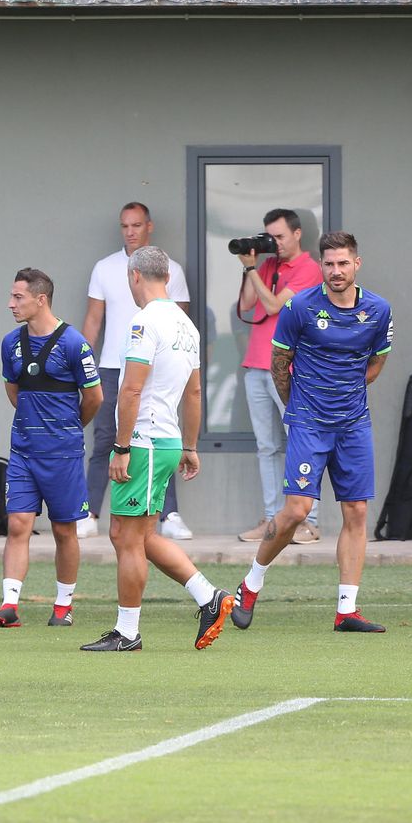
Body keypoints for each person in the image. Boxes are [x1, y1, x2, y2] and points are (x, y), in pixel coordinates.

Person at [231, 231, 392, 634]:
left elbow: (376, 362)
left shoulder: (379, 309)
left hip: (354, 424)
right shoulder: (299, 307)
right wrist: (299, 407)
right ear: (321, 266)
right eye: (329, 264)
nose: (335, 271)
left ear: (357, 264)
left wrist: (347, 392)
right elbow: (280, 362)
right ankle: (250, 585)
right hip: (308, 421)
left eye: (343, 263)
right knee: (296, 512)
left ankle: (347, 611)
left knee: (356, 512)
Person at [82, 247, 233, 652]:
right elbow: (195, 391)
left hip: (143, 443)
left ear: (135, 277)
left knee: (129, 538)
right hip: (164, 442)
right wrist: (190, 445)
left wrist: (121, 446)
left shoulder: (144, 322)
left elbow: (130, 389)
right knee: (131, 534)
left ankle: (128, 632)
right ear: (166, 277)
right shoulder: (187, 326)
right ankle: (208, 597)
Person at [0, 268, 102, 630]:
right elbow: (14, 391)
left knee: (64, 529)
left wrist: (66, 429)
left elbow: (94, 398)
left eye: (17, 297)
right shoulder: (11, 343)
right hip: (23, 452)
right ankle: (9, 604)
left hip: (64, 454)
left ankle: (63, 606)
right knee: (18, 523)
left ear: (41, 300)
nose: (10, 304)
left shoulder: (74, 344)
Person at [80, 202, 192, 540]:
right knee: (105, 440)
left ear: (149, 226)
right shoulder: (104, 267)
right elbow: (93, 321)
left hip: (156, 370)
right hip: (113, 368)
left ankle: (169, 515)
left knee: (159, 437)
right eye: (125, 226)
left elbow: (181, 323)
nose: (130, 231)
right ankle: (90, 512)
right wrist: (82, 369)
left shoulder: (170, 270)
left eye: (136, 225)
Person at [235, 209, 324, 543]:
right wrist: (253, 266)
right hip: (256, 365)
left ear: (298, 234)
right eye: (269, 236)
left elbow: (273, 306)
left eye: (280, 236)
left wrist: (249, 269)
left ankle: (307, 519)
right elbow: (247, 303)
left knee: (300, 442)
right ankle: (272, 518)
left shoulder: (310, 269)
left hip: (289, 369)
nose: (275, 243)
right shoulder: (267, 266)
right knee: (267, 446)